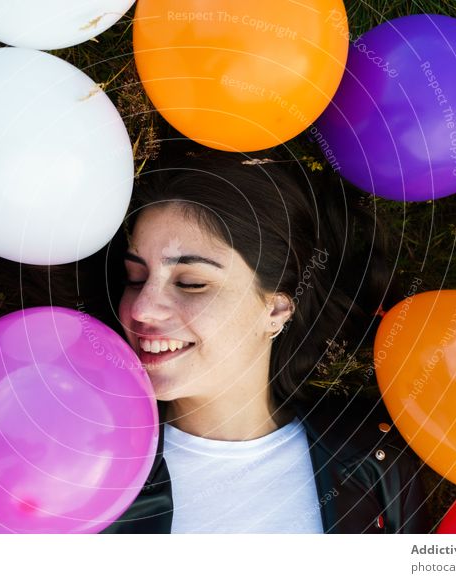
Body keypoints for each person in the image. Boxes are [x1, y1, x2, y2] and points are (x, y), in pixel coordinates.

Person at [99, 146, 434, 534]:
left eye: (191, 284)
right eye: (135, 279)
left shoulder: (372, 461)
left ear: (275, 309)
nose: (142, 308)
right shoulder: (85, 458)